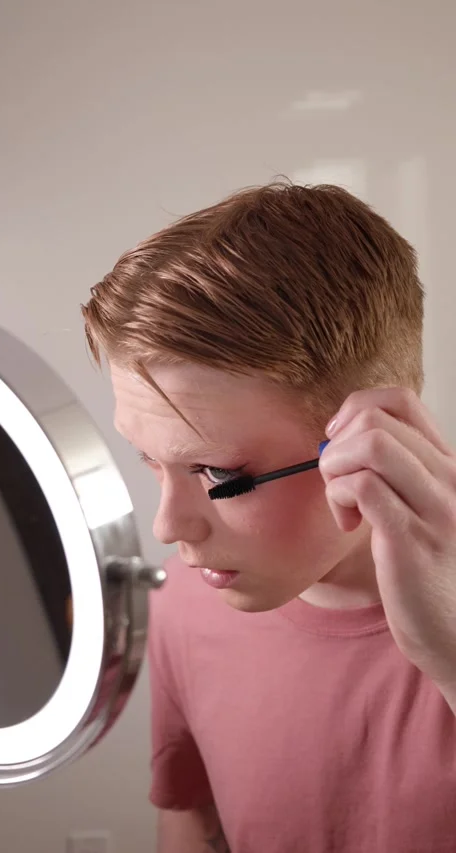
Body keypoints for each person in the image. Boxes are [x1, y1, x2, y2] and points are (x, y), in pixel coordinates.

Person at [81, 183, 456, 853]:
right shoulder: (185, 601)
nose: (169, 527)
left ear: (371, 433)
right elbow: (192, 819)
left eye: (218, 475)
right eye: (149, 459)